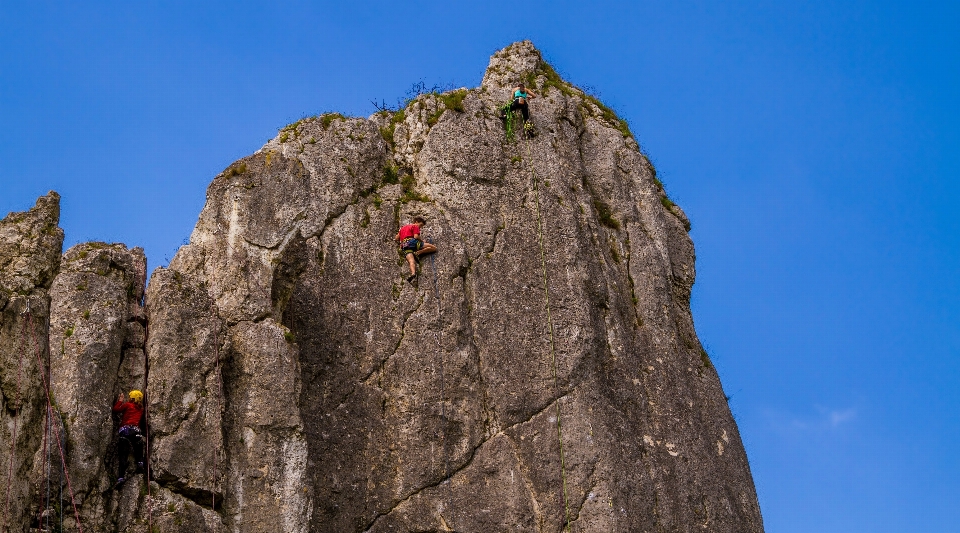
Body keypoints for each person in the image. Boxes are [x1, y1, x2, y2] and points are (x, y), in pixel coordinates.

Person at [112, 389, 146, 488]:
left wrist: (120, 400)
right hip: (136, 431)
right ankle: (140, 463)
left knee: (123, 455)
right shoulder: (141, 409)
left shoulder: (127, 405)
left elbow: (116, 410)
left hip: (125, 431)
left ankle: (121, 478)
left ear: (131, 398)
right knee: (139, 447)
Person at [395, 216, 437, 283]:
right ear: (416, 222)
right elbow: (416, 236)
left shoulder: (402, 228)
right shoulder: (415, 226)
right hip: (412, 242)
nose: (420, 227)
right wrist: (422, 241)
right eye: (420, 225)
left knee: (411, 261)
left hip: (404, 245)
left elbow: (396, 238)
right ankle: (419, 252)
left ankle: (413, 274)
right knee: (434, 248)